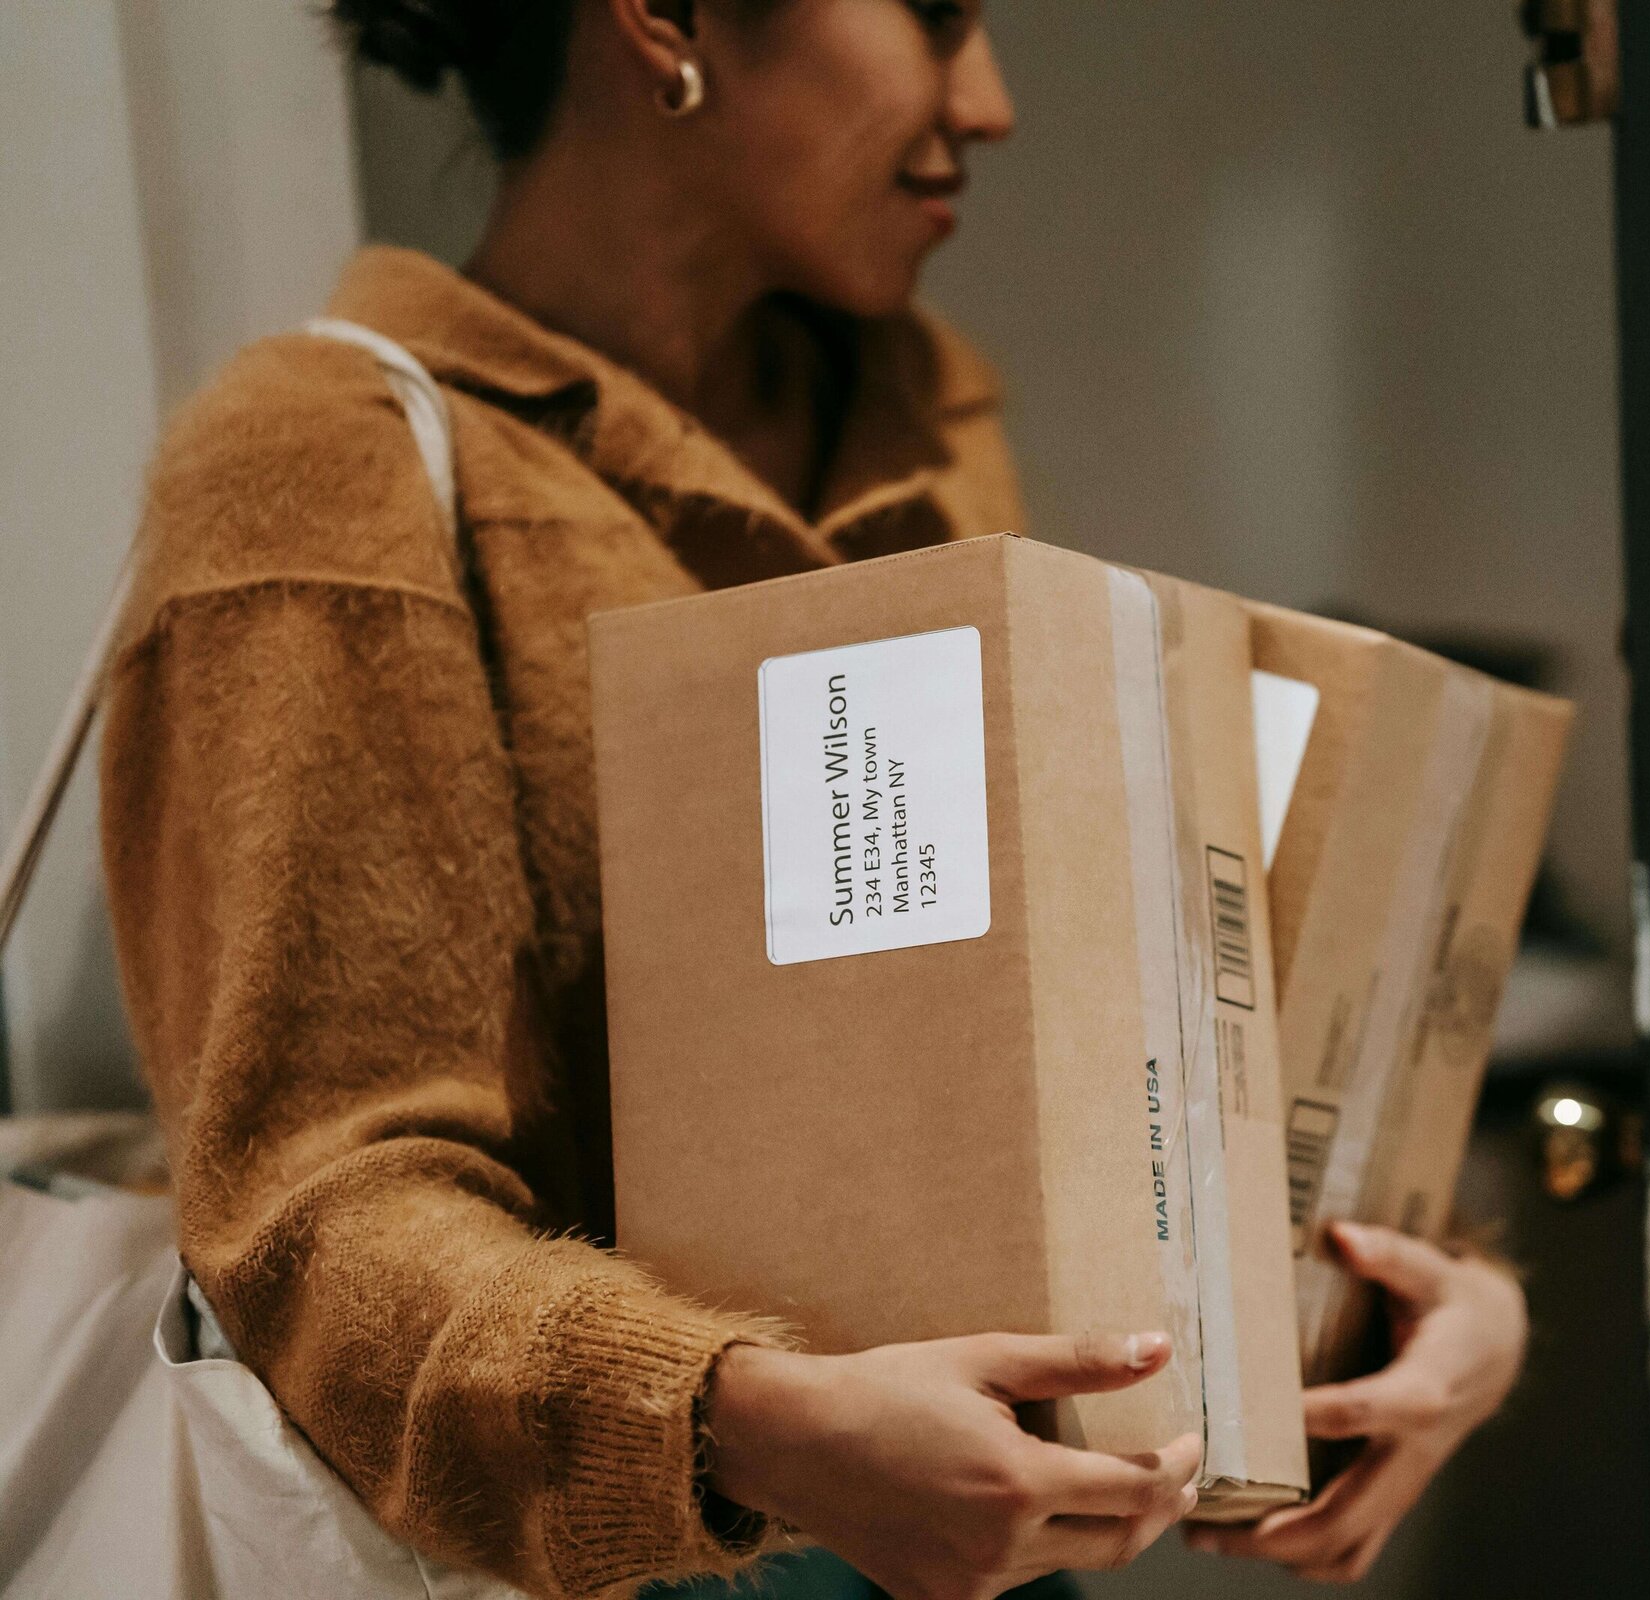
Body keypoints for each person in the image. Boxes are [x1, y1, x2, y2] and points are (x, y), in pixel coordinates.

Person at [101, 1, 1531, 1596]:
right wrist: (733, 1425)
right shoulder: (320, 471)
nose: (986, 101)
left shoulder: (915, 411)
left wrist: (1415, 1310)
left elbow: (1067, 1056)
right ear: (665, 17)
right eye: (934, 11)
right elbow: (318, 1217)